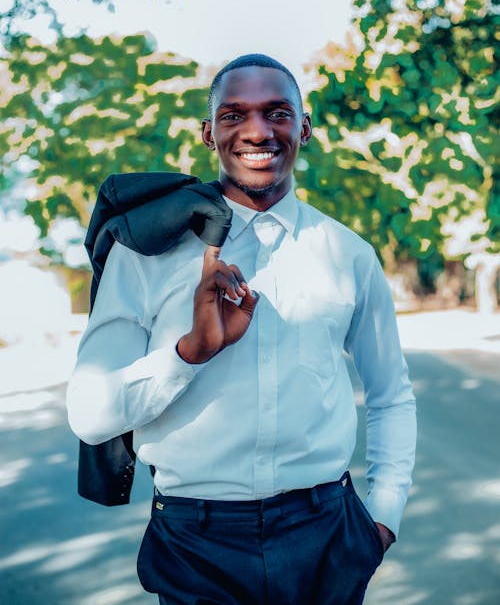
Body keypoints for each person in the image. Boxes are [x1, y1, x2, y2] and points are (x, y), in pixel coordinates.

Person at [67, 53, 416, 605]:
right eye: (234, 116)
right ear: (209, 133)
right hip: (196, 543)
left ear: (304, 126)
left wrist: (383, 518)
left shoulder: (349, 254)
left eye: (277, 113)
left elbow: (391, 395)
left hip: (328, 535)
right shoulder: (143, 255)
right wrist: (190, 351)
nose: (258, 131)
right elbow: (90, 416)